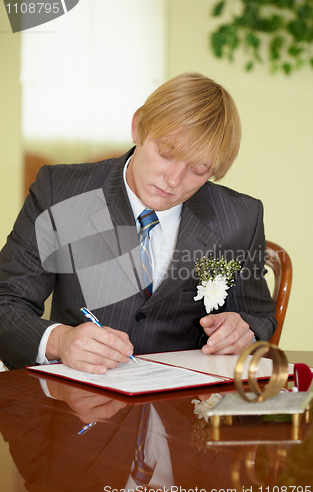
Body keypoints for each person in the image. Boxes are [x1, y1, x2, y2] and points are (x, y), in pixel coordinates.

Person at [0, 73, 276, 372]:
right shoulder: (61, 192)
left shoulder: (239, 218)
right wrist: (60, 341)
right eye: (167, 154)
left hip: (183, 405)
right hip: (79, 399)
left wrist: (242, 329)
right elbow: (6, 302)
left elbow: (258, 316)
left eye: (198, 170)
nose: (173, 181)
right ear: (137, 126)